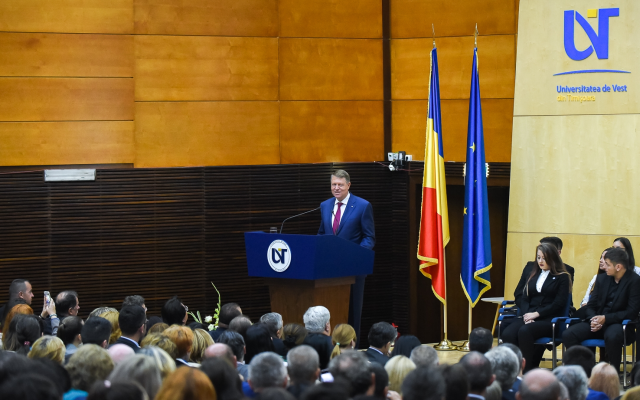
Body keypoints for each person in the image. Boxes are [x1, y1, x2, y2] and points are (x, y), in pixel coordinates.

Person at [318, 170, 375, 341]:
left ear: (348, 185)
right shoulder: (325, 205)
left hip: (353, 269)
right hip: (330, 271)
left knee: (353, 312)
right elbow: (322, 233)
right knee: (331, 309)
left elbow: (369, 237)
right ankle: (333, 346)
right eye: (333, 184)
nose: (336, 188)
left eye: (340, 185)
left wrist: (355, 255)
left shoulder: (362, 205)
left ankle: (352, 348)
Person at [563, 248, 640, 373]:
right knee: (569, 334)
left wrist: (605, 319)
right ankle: (583, 372)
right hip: (598, 321)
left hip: (619, 324)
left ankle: (613, 374)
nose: (605, 267)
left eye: (608, 264)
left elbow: (631, 312)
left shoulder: (635, 281)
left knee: (612, 335)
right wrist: (594, 319)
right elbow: (590, 306)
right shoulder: (602, 279)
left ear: (618, 267)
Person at [502, 243, 572, 371]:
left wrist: (537, 314)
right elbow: (524, 298)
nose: (540, 261)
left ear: (552, 258)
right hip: (529, 316)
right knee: (507, 333)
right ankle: (513, 369)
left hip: (548, 319)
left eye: (544, 258)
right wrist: (527, 315)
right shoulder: (533, 274)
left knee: (525, 331)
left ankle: (527, 370)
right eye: (538, 257)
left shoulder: (563, 277)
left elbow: (558, 304)